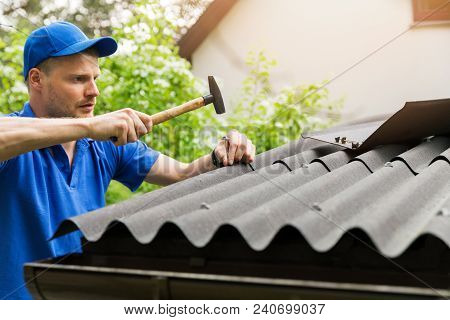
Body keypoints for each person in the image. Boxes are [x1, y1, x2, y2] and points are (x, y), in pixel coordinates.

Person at [0, 21, 255, 299]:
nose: (94, 91)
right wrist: (90, 126)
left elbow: (183, 174)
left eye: (95, 78)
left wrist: (219, 156)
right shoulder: (13, 135)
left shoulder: (106, 145)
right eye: (78, 79)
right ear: (37, 79)